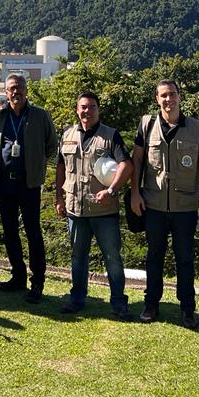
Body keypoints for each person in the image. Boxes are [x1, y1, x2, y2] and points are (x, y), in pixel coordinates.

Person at [131, 79, 199, 327]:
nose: (169, 99)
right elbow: (136, 161)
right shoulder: (147, 124)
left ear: (180, 96)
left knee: (185, 260)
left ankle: (187, 309)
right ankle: (151, 305)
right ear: (157, 99)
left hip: (185, 207)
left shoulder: (196, 128)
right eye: (164, 95)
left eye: (173, 94)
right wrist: (134, 193)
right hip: (153, 205)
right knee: (154, 257)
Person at [55, 92, 134, 320]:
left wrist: (112, 190)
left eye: (91, 107)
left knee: (112, 257)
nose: (87, 111)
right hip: (75, 209)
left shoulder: (110, 136)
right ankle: (77, 299)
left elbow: (126, 165)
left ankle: (118, 302)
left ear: (98, 110)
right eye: (83, 107)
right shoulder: (67, 135)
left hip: (104, 210)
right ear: (77, 109)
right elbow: (60, 167)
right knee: (78, 257)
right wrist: (58, 198)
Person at [0, 74, 58, 303]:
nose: (15, 92)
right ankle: (17, 275)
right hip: (5, 183)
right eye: (11, 88)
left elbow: (51, 145)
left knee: (33, 233)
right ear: (6, 92)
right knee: (10, 232)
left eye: (19, 87)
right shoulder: (0, 117)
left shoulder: (40, 115)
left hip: (29, 184)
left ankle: (37, 282)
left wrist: (36, 164)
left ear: (26, 90)